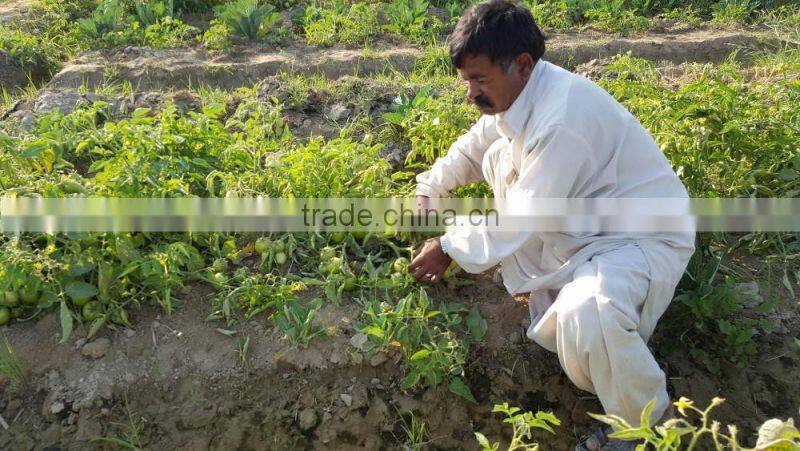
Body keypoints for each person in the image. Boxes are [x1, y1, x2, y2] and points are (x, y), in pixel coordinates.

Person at [406, 1, 695, 449]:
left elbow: (524, 215)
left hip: (638, 240)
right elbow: (476, 144)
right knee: (502, 155)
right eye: (467, 81)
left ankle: (643, 425)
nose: (471, 94)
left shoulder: (562, 117)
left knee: (590, 311)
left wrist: (447, 245)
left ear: (522, 64)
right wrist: (430, 189)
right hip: (584, 237)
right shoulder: (524, 93)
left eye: (480, 80)